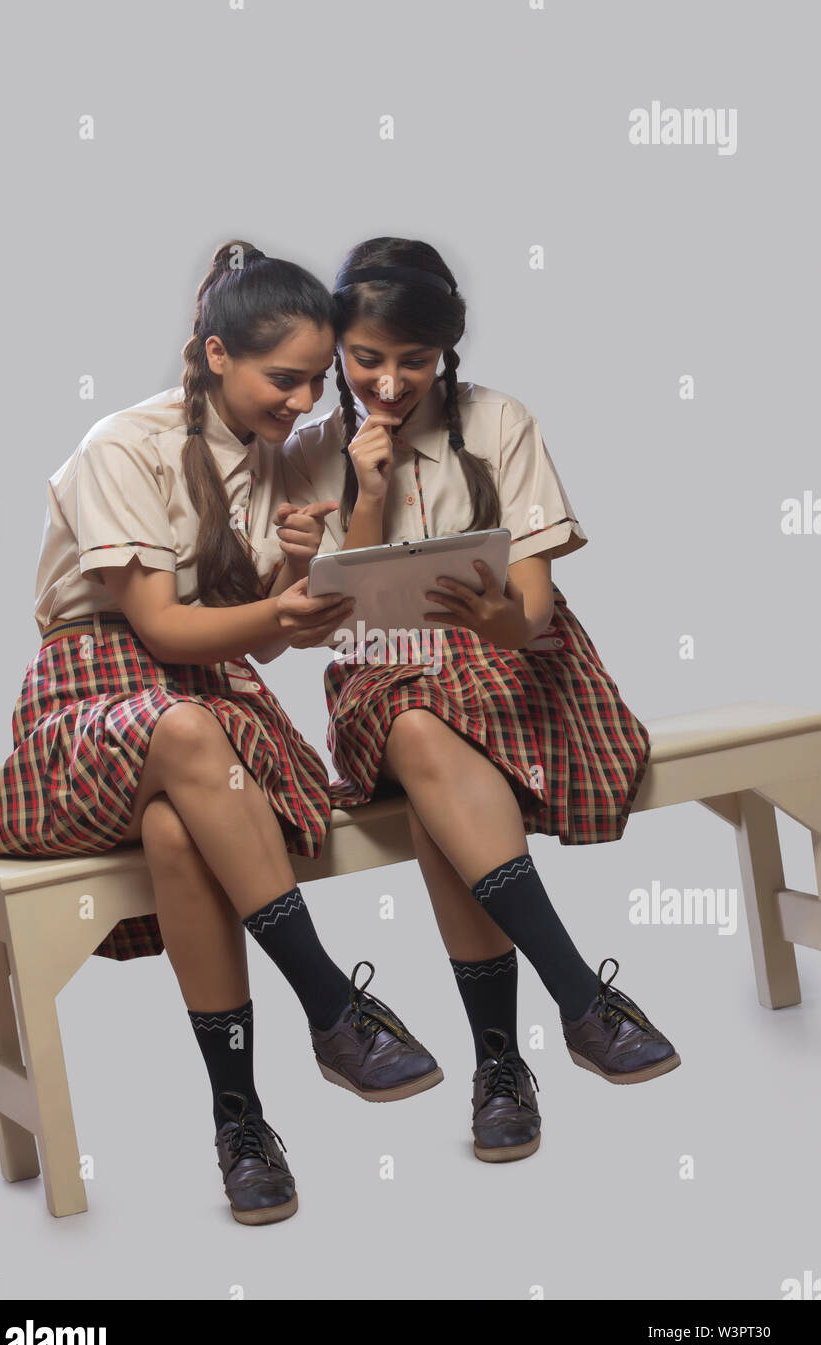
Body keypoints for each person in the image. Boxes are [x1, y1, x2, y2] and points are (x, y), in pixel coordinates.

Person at [0, 239, 442, 1226]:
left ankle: (238, 1121)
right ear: (216, 352)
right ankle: (331, 1005)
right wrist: (276, 615)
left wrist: (300, 578)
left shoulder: (270, 470)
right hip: (91, 700)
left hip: (212, 708)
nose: (304, 399)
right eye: (284, 377)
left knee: (183, 826)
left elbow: (255, 652)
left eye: (317, 379)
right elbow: (157, 629)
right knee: (183, 729)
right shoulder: (124, 446)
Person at [279, 236, 680, 1166]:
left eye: (413, 360)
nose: (389, 381)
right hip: (384, 677)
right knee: (417, 718)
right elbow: (341, 632)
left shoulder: (500, 420)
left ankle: (498, 1067)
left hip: (516, 670)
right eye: (368, 358)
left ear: (447, 351)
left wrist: (491, 613)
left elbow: (533, 618)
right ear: (339, 346)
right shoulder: (312, 451)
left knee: (433, 783)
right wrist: (367, 493)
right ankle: (581, 998)